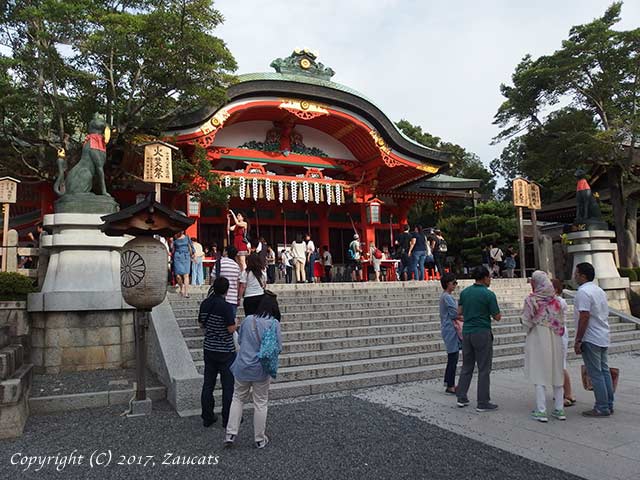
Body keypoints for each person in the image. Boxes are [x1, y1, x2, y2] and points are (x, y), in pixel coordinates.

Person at [224, 294, 283, 449]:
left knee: (237, 398)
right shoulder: (274, 323)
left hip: (242, 365)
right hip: (261, 369)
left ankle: (230, 433)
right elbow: (278, 347)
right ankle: (259, 438)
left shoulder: (248, 320)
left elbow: (241, 341)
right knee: (260, 402)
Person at [522, 271, 567, 422]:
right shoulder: (557, 301)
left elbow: (526, 322)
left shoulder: (531, 300)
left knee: (539, 371)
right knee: (557, 371)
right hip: (555, 337)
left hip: (537, 338)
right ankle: (559, 409)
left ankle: (541, 410)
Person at [456, 266, 501, 412]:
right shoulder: (489, 295)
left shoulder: (465, 292)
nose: (490, 280)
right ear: (484, 277)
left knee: (467, 365)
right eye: (489, 277)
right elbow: (497, 316)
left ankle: (461, 396)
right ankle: (483, 401)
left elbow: (459, 312)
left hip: (467, 331)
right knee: (483, 368)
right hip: (482, 332)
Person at [573, 262, 613, 417]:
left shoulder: (583, 292)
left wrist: (578, 339)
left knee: (595, 373)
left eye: (576, 273)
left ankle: (602, 407)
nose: (574, 276)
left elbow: (584, 316)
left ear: (582, 275)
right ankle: (608, 403)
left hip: (591, 337)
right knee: (604, 371)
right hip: (603, 334)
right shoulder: (599, 290)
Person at [199, 277, 237, 428]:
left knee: (208, 383)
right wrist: (237, 324)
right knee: (228, 386)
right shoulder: (226, 307)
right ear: (227, 290)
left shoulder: (205, 304)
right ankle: (227, 418)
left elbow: (201, 323)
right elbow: (230, 329)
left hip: (209, 347)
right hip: (225, 350)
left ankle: (207, 416)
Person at [552, 278, 576, 408]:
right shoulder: (555, 301)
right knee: (558, 365)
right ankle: (563, 392)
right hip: (557, 332)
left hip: (559, 332)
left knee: (560, 365)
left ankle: (568, 394)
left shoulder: (558, 301)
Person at [440, 273, 462, 395]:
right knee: (453, 357)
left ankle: (449, 382)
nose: (455, 285)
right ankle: (450, 385)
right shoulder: (447, 297)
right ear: (448, 283)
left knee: (452, 357)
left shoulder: (445, 296)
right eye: (454, 283)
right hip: (450, 329)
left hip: (448, 328)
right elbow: (454, 314)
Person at [211, 246, 241, 318]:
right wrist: (238, 297)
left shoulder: (219, 263)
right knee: (231, 322)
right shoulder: (236, 266)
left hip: (219, 298)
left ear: (226, 252)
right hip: (233, 298)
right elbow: (238, 283)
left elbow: (213, 279)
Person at [171, 231, 194, 297]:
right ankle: (181, 287)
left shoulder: (187, 237)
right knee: (177, 276)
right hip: (177, 256)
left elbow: (191, 246)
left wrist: (193, 253)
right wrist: (172, 242)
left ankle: (186, 292)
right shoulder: (175, 238)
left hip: (186, 256)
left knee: (186, 275)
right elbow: (172, 249)